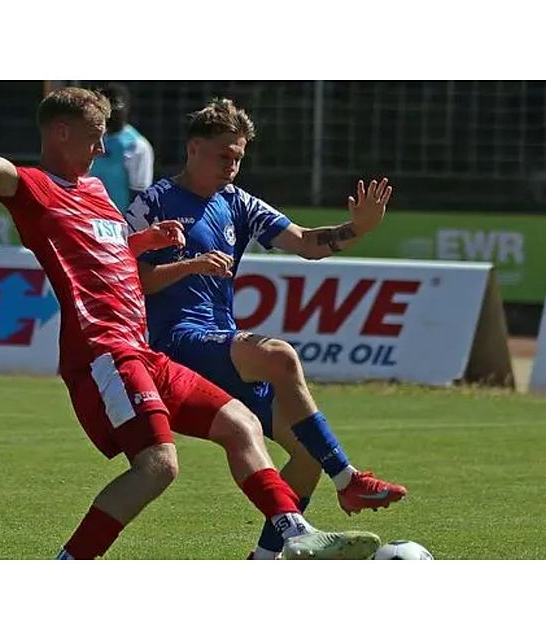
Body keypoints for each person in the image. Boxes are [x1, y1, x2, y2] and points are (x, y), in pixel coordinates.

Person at [0, 87, 380, 560]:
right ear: (61, 133)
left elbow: (111, 257)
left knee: (240, 424)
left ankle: (295, 535)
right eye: (95, 138)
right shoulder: (37, 189)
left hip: (143, 351)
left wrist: (145, 242)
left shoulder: (95, 192)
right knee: (158, 465)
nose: (101, 149)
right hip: (104, 350)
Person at [126, 98, 407, 560]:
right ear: (194, 149)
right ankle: (349, 480)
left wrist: (357, 229)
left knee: (306, 455)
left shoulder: (237, 202)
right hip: (175, 345)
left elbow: (305, 243)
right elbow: (125, 277)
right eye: (224, 156)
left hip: (219, 345)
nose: (232, 167)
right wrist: (188, 266)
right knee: (278, 355)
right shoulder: (152, 203)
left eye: (238, 157)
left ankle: (263, 561)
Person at [88, 83, 154, 211]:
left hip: (120, 222)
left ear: (127, 107)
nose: (111, 113)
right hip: (91, 217)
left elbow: (140, 192)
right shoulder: (93, 139)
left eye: (116, 105)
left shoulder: (136, 145)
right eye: (106, 108)